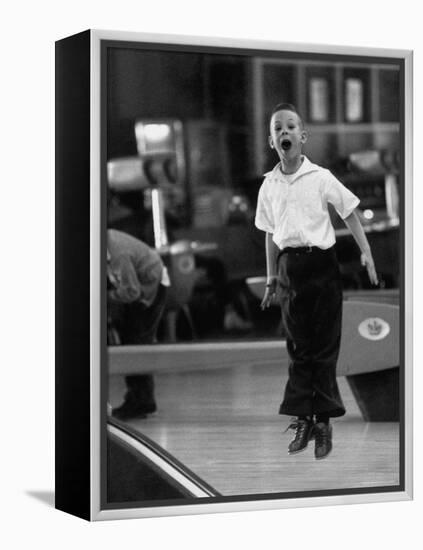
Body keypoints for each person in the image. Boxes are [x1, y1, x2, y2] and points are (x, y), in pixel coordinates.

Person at [255, 103, 378, 460]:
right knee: (298, 349)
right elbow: (268, 234)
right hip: (289, 268)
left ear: (303, 137)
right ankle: (302, 419)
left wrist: (366, 251)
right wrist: (270, 278)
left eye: (291, 126)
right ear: (271, 140)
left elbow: (349, 211)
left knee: (324, 348)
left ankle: (323, 421)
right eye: (278, 128)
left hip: (322, 266)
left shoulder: (321, 176)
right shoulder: (269, 186)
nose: (285, 132)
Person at [107, 228, 169, 421]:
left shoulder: (119, 255)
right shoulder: (103, 240)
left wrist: (106, 296)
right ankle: (138, 400)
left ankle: (143, 403)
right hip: (141, 285)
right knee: (132, 343)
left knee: (137, 345)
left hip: (151, 287)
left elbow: (132, 292)